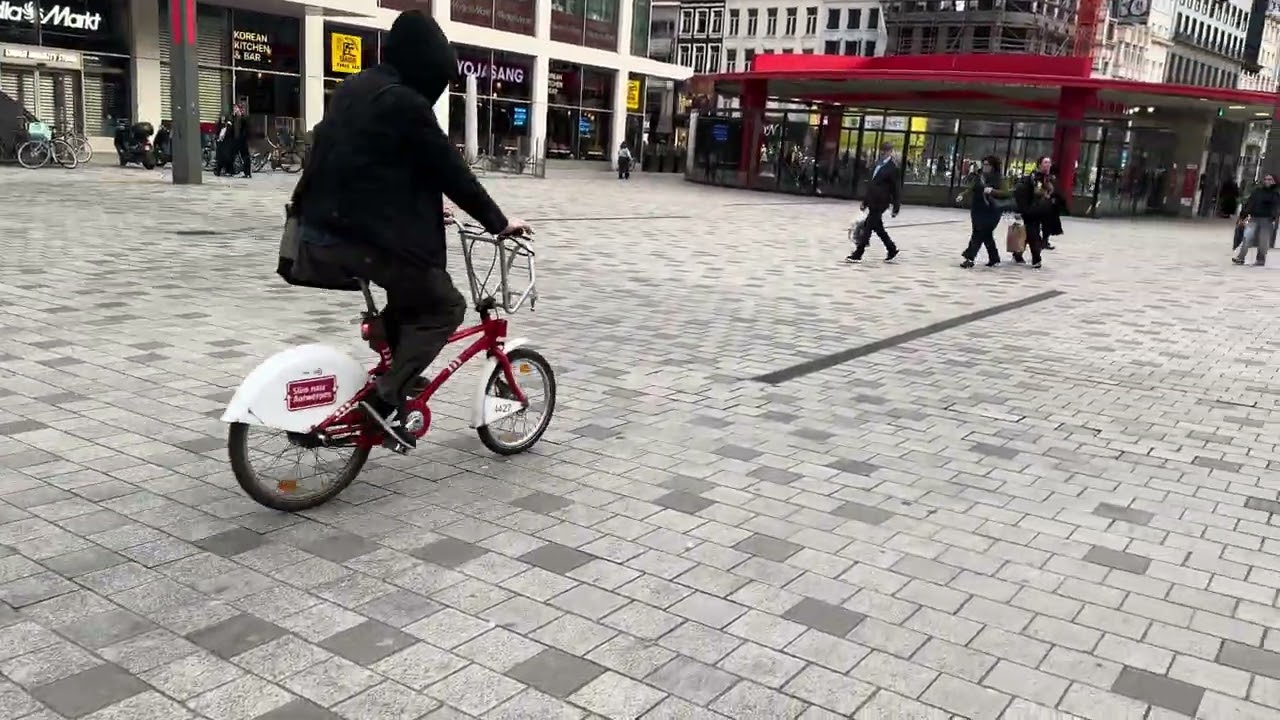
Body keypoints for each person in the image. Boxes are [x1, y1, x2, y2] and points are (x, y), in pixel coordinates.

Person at [292, 9, 530, 452]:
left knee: (409, 298)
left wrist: (420, 208)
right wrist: (499, 222)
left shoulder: (356, 87)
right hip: (362, 237)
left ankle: (393, 366)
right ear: (426, 66)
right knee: (445, 307)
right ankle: (385, 399)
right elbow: (450, 170)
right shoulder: (405, 102)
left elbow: (375, 161)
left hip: (322, 229)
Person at [846, 141, 901, 264]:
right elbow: (871, 185)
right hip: (872, 200)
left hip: (881, 202)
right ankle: (891, 248)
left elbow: (896, 189)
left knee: (868, 227)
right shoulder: (877, 164)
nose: (883, 152)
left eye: (886, 150)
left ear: (891, 151)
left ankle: (858, 253)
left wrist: (896, 206)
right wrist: (865, 202)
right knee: (878, 227)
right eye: (882, 150)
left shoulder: (893, 168)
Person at [955, 155, 1011, 268]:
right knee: (985, 234)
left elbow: (1007, 193)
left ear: (993, 166)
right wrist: (962, 195)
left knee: (978, 233)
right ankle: (994, 257)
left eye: (987, 165)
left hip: (992, 211)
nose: (985, 167)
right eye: (984, 164)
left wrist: (993, 191)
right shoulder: (979, 177)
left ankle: (969, 258)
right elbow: (971, 188)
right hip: (978, 209)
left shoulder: (1000, 179)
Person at [1011, 156, 1055, 269]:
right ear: (1039, 164)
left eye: (1049, 163)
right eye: (1045, 162)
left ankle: (1017, 254)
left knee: (1028, 233)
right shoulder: (1035, 177)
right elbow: (1037, 192)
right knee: (1033, 235)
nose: (1048, 165)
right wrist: (1046, 193)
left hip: (1040, 210)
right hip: (1031, 210)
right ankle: (1036, 259)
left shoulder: (1047, 178)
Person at [1233, 173, 1279, 267]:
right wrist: (1243, 216)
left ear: (1274, 182)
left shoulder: (1275, 194)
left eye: (1270, 179)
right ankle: (1240, 258)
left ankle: (1261, 260)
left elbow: (1277, 207)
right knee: (1247, 238)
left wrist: (1274, 216)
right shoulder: (1257, 192)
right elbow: (1250, 204)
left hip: (1267, 220)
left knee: (1263, 241)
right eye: (1266, 179)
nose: (1267, 181)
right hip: (1254, 218)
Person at [231, 104, 252, 178]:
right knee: (234, 154)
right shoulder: (237, 118)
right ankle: (234, 170)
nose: (235, 110)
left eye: (236, 109)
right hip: (238, 139)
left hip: (242, 140)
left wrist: (242, 138)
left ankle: (247, 173)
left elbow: (245, 130)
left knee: (245, 156)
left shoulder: (243, 118)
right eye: (234, 109)